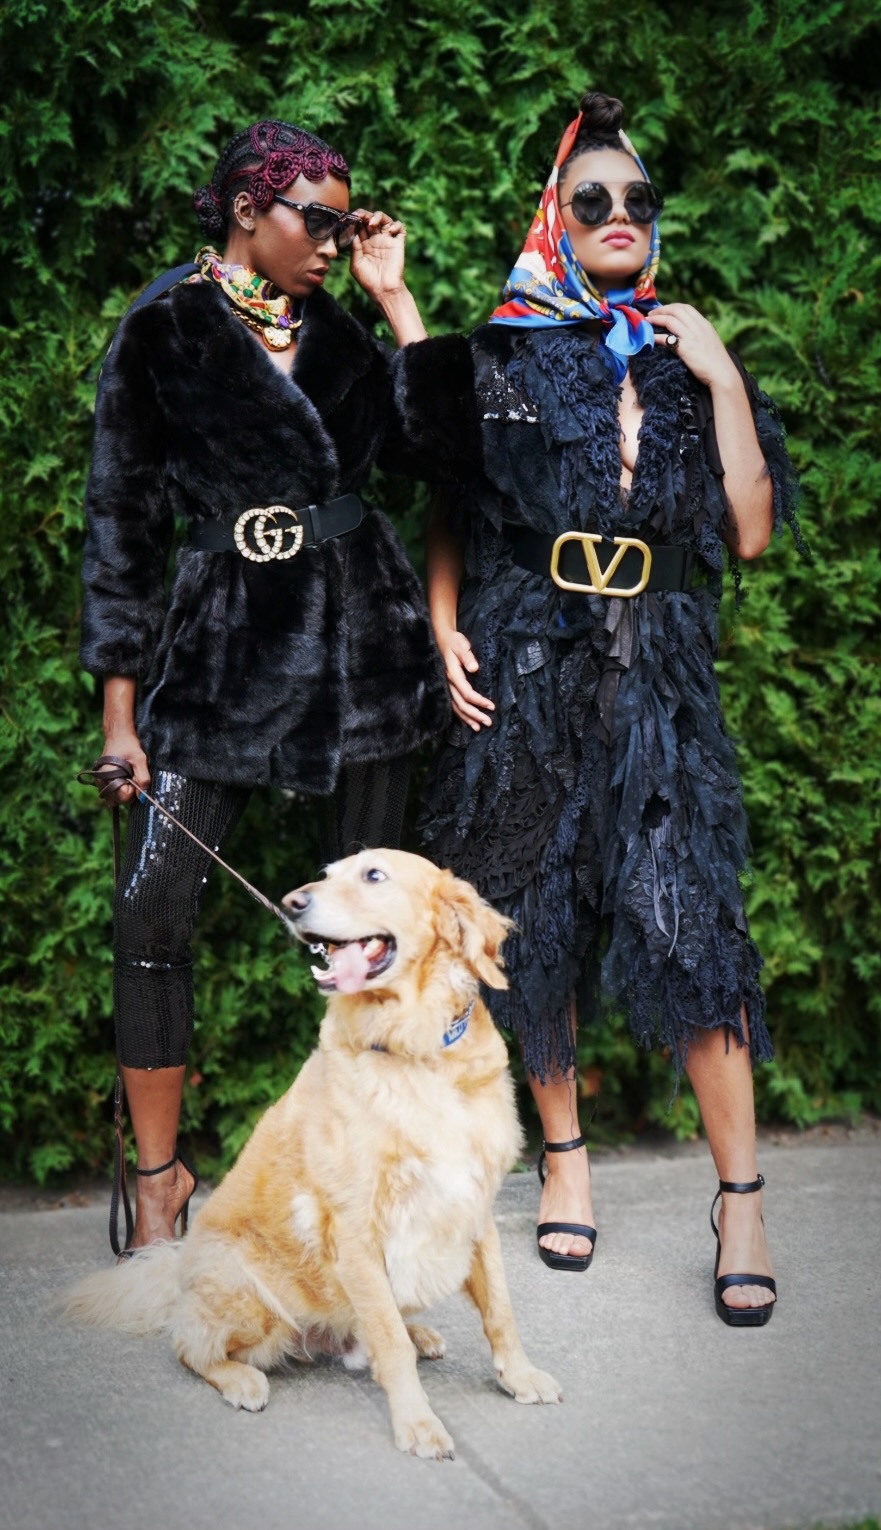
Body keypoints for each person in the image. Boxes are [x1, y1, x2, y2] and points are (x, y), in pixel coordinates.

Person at [395, 91, 803, 1323]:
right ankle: (562, 1160)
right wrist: (441, 621)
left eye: (636, 199)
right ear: (555, 222)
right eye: (591, 199)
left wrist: (718, 373)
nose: (617, 213)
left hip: (658, 669)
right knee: (530, 921)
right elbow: (454, 495)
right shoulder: (509, 354)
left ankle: (741, 1198)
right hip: (528, 655)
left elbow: (749, 532)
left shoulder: (687, 357)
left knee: (690, 924)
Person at [81, 119, 449, 1252]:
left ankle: (370, 1180)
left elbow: (441, 454)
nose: (334, 242)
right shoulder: (163, 327)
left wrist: (395, 300)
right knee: (151, 909)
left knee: (375, 930)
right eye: (319, 222)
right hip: (221, 649)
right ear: (249, 207)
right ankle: (159, 1183)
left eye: (347, 223)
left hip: (366, 646)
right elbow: (121, 529)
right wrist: (120, 716)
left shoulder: (342, 328)